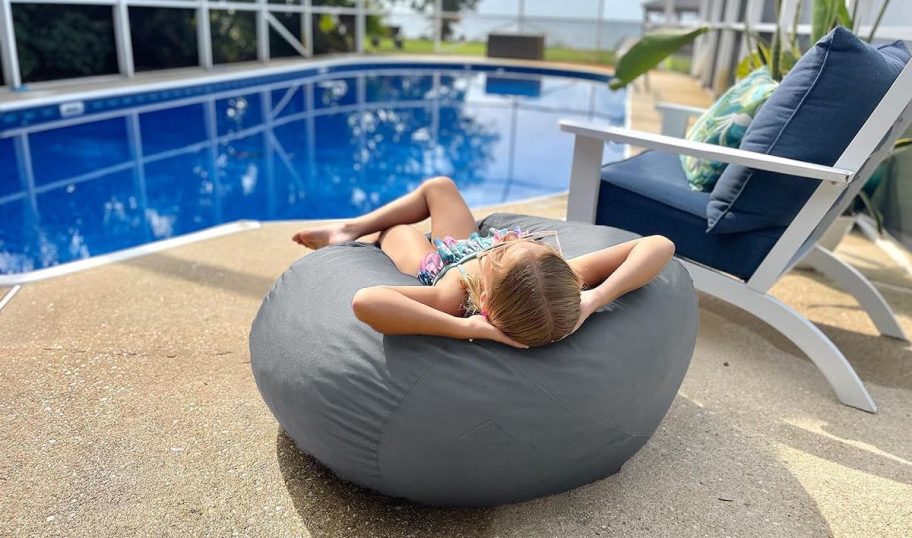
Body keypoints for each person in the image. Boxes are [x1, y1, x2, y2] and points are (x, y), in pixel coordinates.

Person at [293, 176, 675, 348]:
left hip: (438, 261)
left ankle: (352, 232)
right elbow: (659, 244)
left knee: (395, 229)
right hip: (473, 245)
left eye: (507, 249)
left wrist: (466, 329)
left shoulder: (450, 297)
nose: (511, 237)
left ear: (487, 300)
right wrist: (595, 299)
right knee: (439, 186)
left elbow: (366, 301)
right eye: (531, 245)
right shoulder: (564, 275)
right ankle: (349, 226)